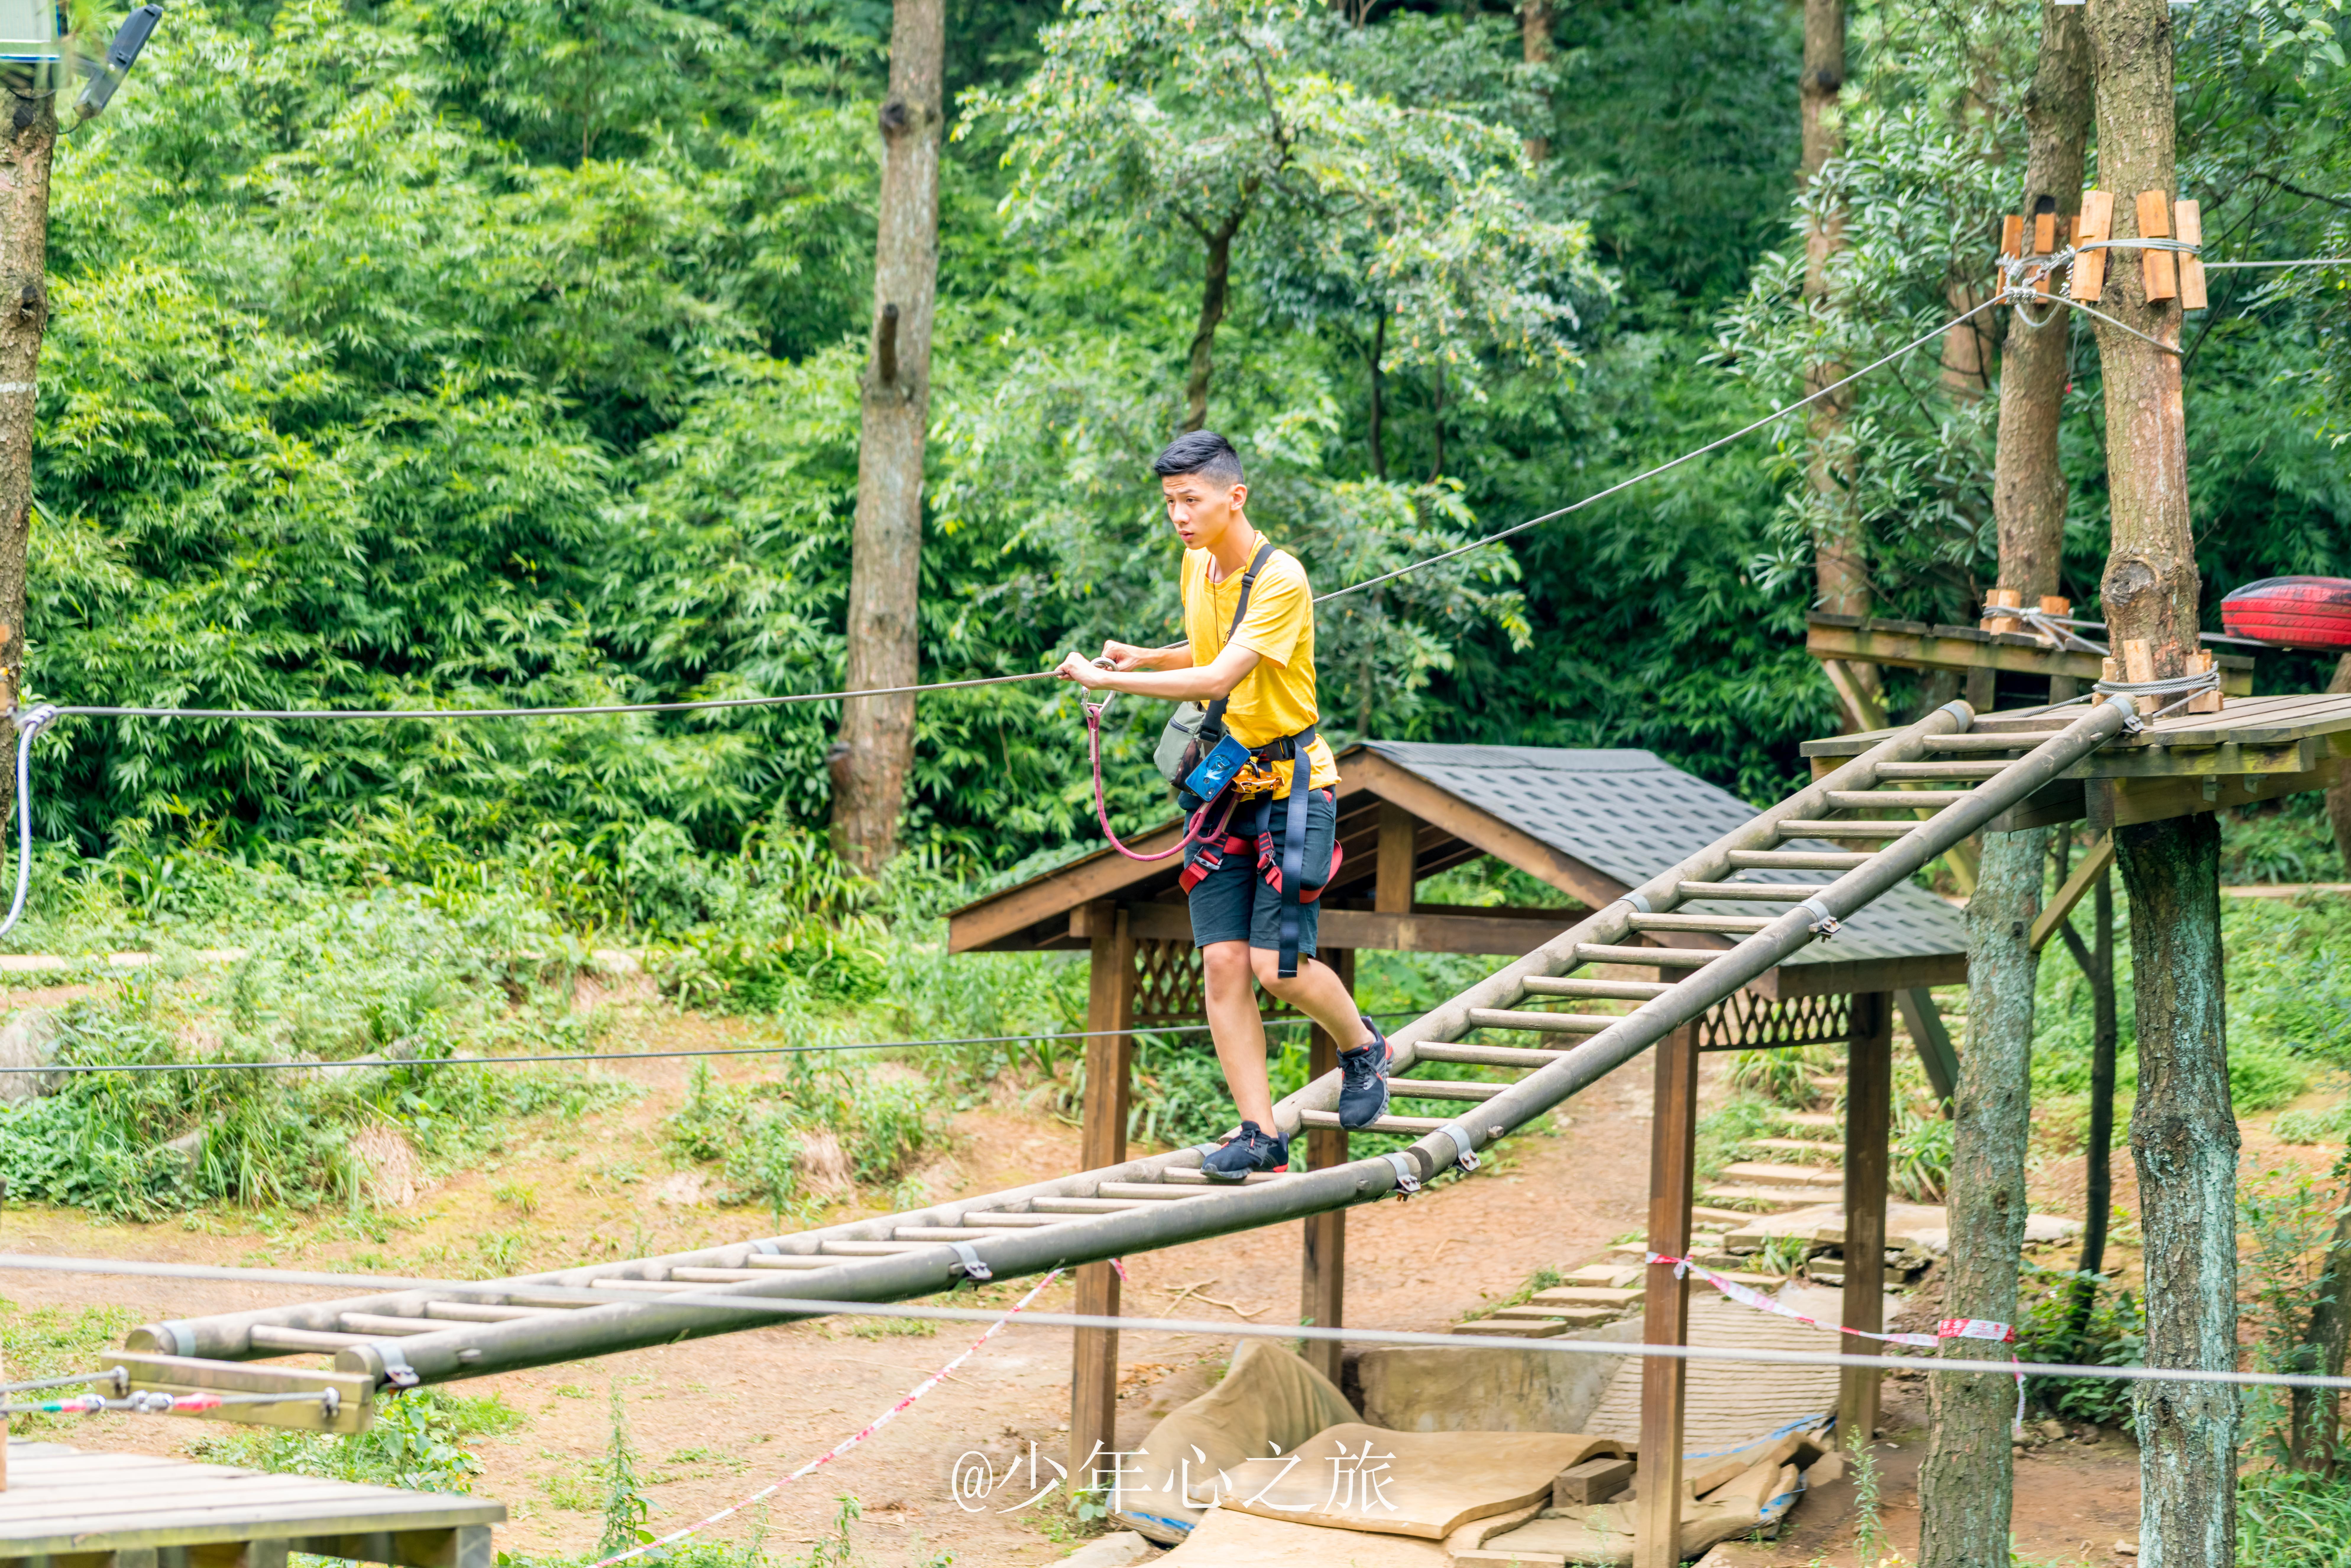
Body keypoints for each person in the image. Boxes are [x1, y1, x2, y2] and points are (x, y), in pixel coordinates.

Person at [1057, 430, 1392, 1181]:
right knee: (1221, 964)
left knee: (1278, 968)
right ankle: (1259, 1134)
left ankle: (1364, 1047)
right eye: (1169, 503)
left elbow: (1220, 679)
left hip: (1293, 787)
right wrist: (1145, 657)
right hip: (1224, 788)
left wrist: (1106, 682)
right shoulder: (1197, 562)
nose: (1178, 516)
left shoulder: (1281, 579)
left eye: (1190, 500)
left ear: (1233, 497)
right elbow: (1207, 649)